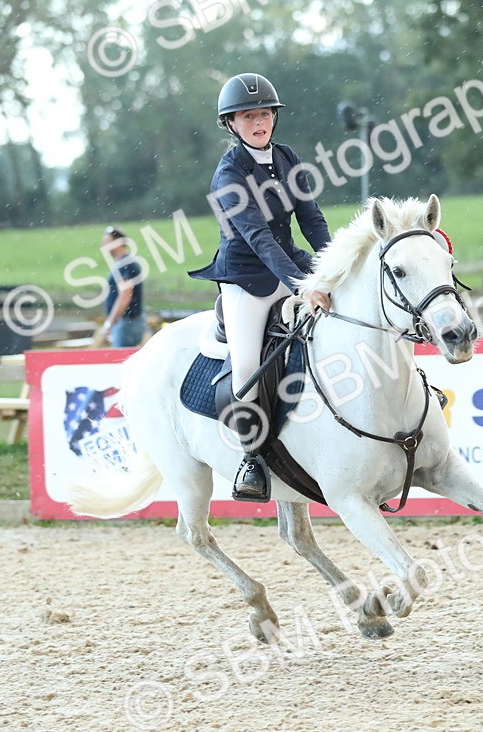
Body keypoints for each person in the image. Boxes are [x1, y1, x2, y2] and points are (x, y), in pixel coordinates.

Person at [188, 72, 333, 501]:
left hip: (291, 264)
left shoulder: (288, 157)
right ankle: (251, 458)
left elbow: (312, 220)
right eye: (248, 116)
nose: (259, 122)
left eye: (265, 113)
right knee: (249, 367)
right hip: (247, 279)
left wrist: (332, 270)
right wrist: (302, 286)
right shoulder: (228, 173)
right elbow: (258, 238)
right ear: (231, 124)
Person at [100, 226, 147, 348]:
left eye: (107, 241)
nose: (104, 245)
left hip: (127, 322)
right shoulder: (125, 264)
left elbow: (125, 295)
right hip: (130, 321)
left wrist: (109, 323)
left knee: (119, 360)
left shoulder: (125, 265)